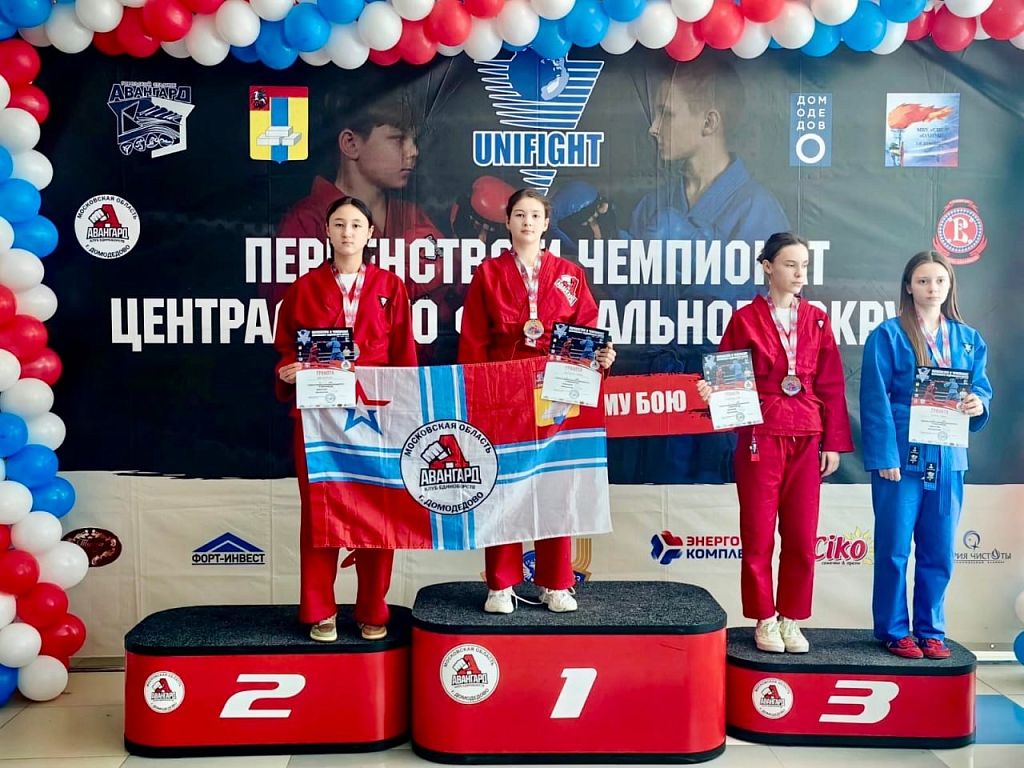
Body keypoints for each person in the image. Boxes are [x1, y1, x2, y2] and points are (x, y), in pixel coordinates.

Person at [458, 188, 616, 614]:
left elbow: (586, 331)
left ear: (547, 223)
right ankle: (500, 584)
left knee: (556, 486)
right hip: (503, 391)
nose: (527, 222)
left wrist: (599, 359)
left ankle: (557, 582)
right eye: (519, 215)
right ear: (507, 222)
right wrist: (477, 396)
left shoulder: (570, 274)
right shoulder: (488, 273)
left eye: (535, 215)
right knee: (503, 486)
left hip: (556, 392)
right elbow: (473, 340)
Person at [696, 232, 852, 653]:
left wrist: (833, 443)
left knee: (801, 536)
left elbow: (832, 384)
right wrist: (715, 393)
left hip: (807, 434)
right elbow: (727, 377)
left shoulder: (817, 319)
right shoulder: (745, 319)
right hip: (760, 435)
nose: (800, 274)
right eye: (790, 264)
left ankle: (791, 618)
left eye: (805, 266)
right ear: (768, 267)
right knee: (758, 534)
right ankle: (764, 618)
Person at [275, 196, 417, 643]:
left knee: (378, 512)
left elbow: (404, 354)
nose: (348, 232)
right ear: (327, 231)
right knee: (321, 513)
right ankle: (320, 609)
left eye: (357, 224)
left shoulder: (391, 287)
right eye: (339, 224)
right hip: (320, 416)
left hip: (377, 414)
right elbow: (286, 348)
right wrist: (287, 369)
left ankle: (373, 607)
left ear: (371, 233)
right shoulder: (303, 288)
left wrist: (404, 410)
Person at [860, 251, 991, 659]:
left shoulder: (968, 339)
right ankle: (894, 629)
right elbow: (874, 399)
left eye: (939, 281)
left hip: (949, 455)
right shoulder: (888, 335)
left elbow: (981, 387)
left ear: (950, 286)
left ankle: (931, 630)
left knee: (939, 549)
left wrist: (978, 403)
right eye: (923, 281)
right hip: (901, 455)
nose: (932, 288)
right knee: (894, 547)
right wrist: (884, 455)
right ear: (908, 286)